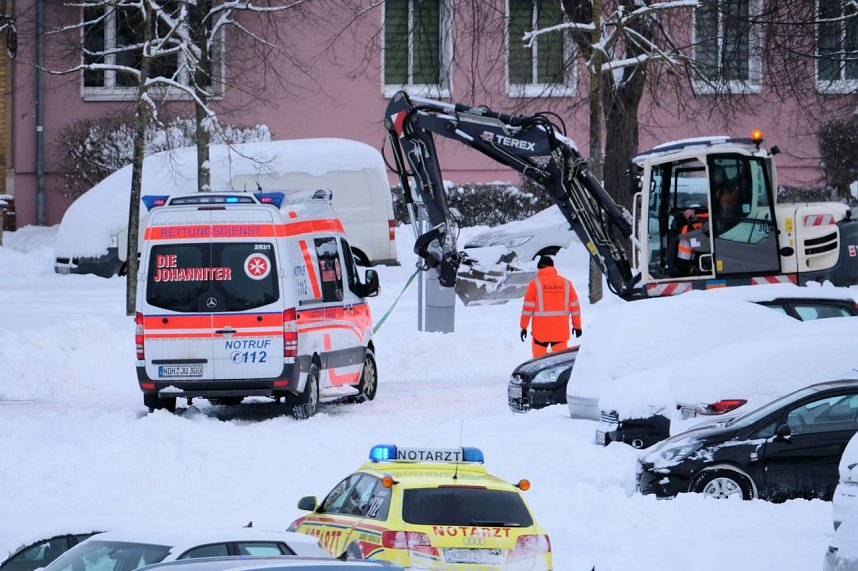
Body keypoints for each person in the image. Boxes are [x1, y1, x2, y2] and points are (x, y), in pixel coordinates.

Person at [519, 256, 582, 357]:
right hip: (560, 331)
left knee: (538, 362)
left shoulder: (535, 283)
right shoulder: (566, 283)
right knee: (560, 361)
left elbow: (527, 308)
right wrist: (577, 326)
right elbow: (575, 307)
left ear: (540, 268)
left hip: (540, 332)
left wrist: (523, 327)